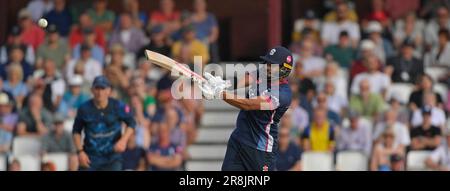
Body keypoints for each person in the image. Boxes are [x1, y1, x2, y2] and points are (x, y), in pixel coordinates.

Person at [199, 46, 293, 171]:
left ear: (284, 70)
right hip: (238, 140)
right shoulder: (264, 73)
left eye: (273, 65)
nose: (268, 67)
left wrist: (220, 93)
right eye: (268, 63)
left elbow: (248, 105)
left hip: (260, 150)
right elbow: (246, 79)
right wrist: (223, 83)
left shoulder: (283, 94)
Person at [72, 76, 136, 171]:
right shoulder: (84, 109)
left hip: (113, 158)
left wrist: (123, 140)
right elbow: (76, 131)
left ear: (109, 90)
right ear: (92, 90)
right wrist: (80, 152)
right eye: (97, 88)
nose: (100, 92)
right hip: (90, 158)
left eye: (103, 88)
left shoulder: (118, 106)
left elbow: (131, 122)